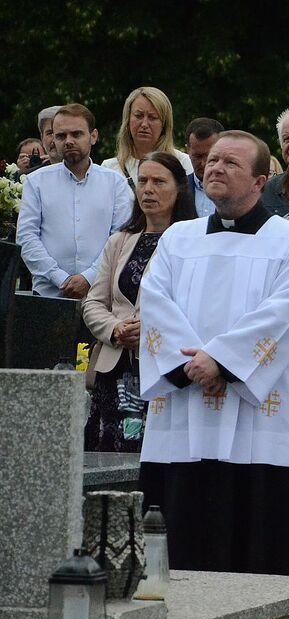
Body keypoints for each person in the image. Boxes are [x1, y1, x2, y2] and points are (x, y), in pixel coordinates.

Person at [137, 130, 289, 575]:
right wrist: (190, 366)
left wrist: (221, 361)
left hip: (258, 418)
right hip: (184, 405)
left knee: (254, 538)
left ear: (260, 181)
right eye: (212, 161)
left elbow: (284, 314)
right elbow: (155, 302)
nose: (215, 168)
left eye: (231, 163)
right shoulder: (179, 238)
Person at [82, 152, 198, 453]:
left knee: (153, 455)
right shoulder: (120, 240)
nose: (148, 189)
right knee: (107, 453)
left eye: (159, 181)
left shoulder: (194, 243)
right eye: (143, 181)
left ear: (179, 189)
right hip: (114, 367)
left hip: (163, 368)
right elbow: (93, 302)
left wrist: (148, 333)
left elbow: (196, 306)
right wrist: (117, 328)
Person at [16, 103, 133, 298]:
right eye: (61, 136)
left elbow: (121, 240)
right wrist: (60, 278)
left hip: (101, 296)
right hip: (47, 294)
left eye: (76, 134)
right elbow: (27, 238)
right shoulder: (36, 182)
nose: (68, 141)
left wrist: (89, 277)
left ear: (93, 136)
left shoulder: (115, 183)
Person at [102, 87, 194, 186]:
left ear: (164, 125)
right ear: (128, 120)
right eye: (138, 116)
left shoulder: (183, 163)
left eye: (153, 117)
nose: (144, 124)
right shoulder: (109, 169)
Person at [184, 117, 224, 217]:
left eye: (210, 156)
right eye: (197, 156)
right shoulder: (177, 189)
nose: (204, 163)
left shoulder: (238, 190)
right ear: (187, 150)